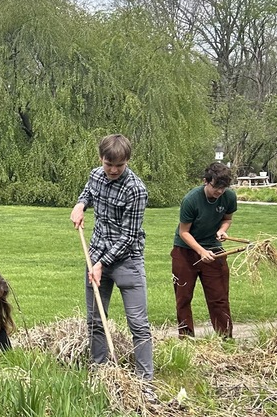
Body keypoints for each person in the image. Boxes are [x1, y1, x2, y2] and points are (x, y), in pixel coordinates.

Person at [69, 133, 154, 382]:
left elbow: (128, 237)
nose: (114, 170)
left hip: (127, 261)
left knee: (138, 324)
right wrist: (80, 205)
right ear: (101, 159)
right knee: (95, 320)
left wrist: (101, 263)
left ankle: (144, 381)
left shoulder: (136, 190)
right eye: (109, 164)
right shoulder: (96, 175)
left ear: (127, 161)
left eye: (120, 165)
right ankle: (99, 372)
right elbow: (89, 192)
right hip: (95, 253)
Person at [171, 162, 237, 338]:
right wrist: (200, 251)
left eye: (223, 188)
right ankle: (186, 339)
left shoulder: (229, 197)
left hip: (213, 249)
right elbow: (184, 232)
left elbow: (227, 219)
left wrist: (222, 230)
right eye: (216, 187)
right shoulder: (191, 200)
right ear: (206, 181)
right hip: (185, 251)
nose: (219, 192)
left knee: (219, 297)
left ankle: (225, 338)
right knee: (183, 297)